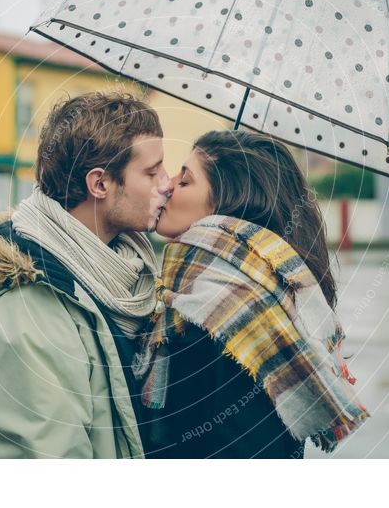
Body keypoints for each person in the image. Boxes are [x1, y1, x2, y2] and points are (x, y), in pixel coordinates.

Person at [0, 91, 171, 458]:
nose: (167, 182)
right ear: (100, 184)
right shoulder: (25, 317)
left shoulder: (123, 274)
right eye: (151, 171)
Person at [139, 130, 370, 458]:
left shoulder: (229, 312)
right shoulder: (216, 292)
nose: (167, 185)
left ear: (227, 203)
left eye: (186, 180)